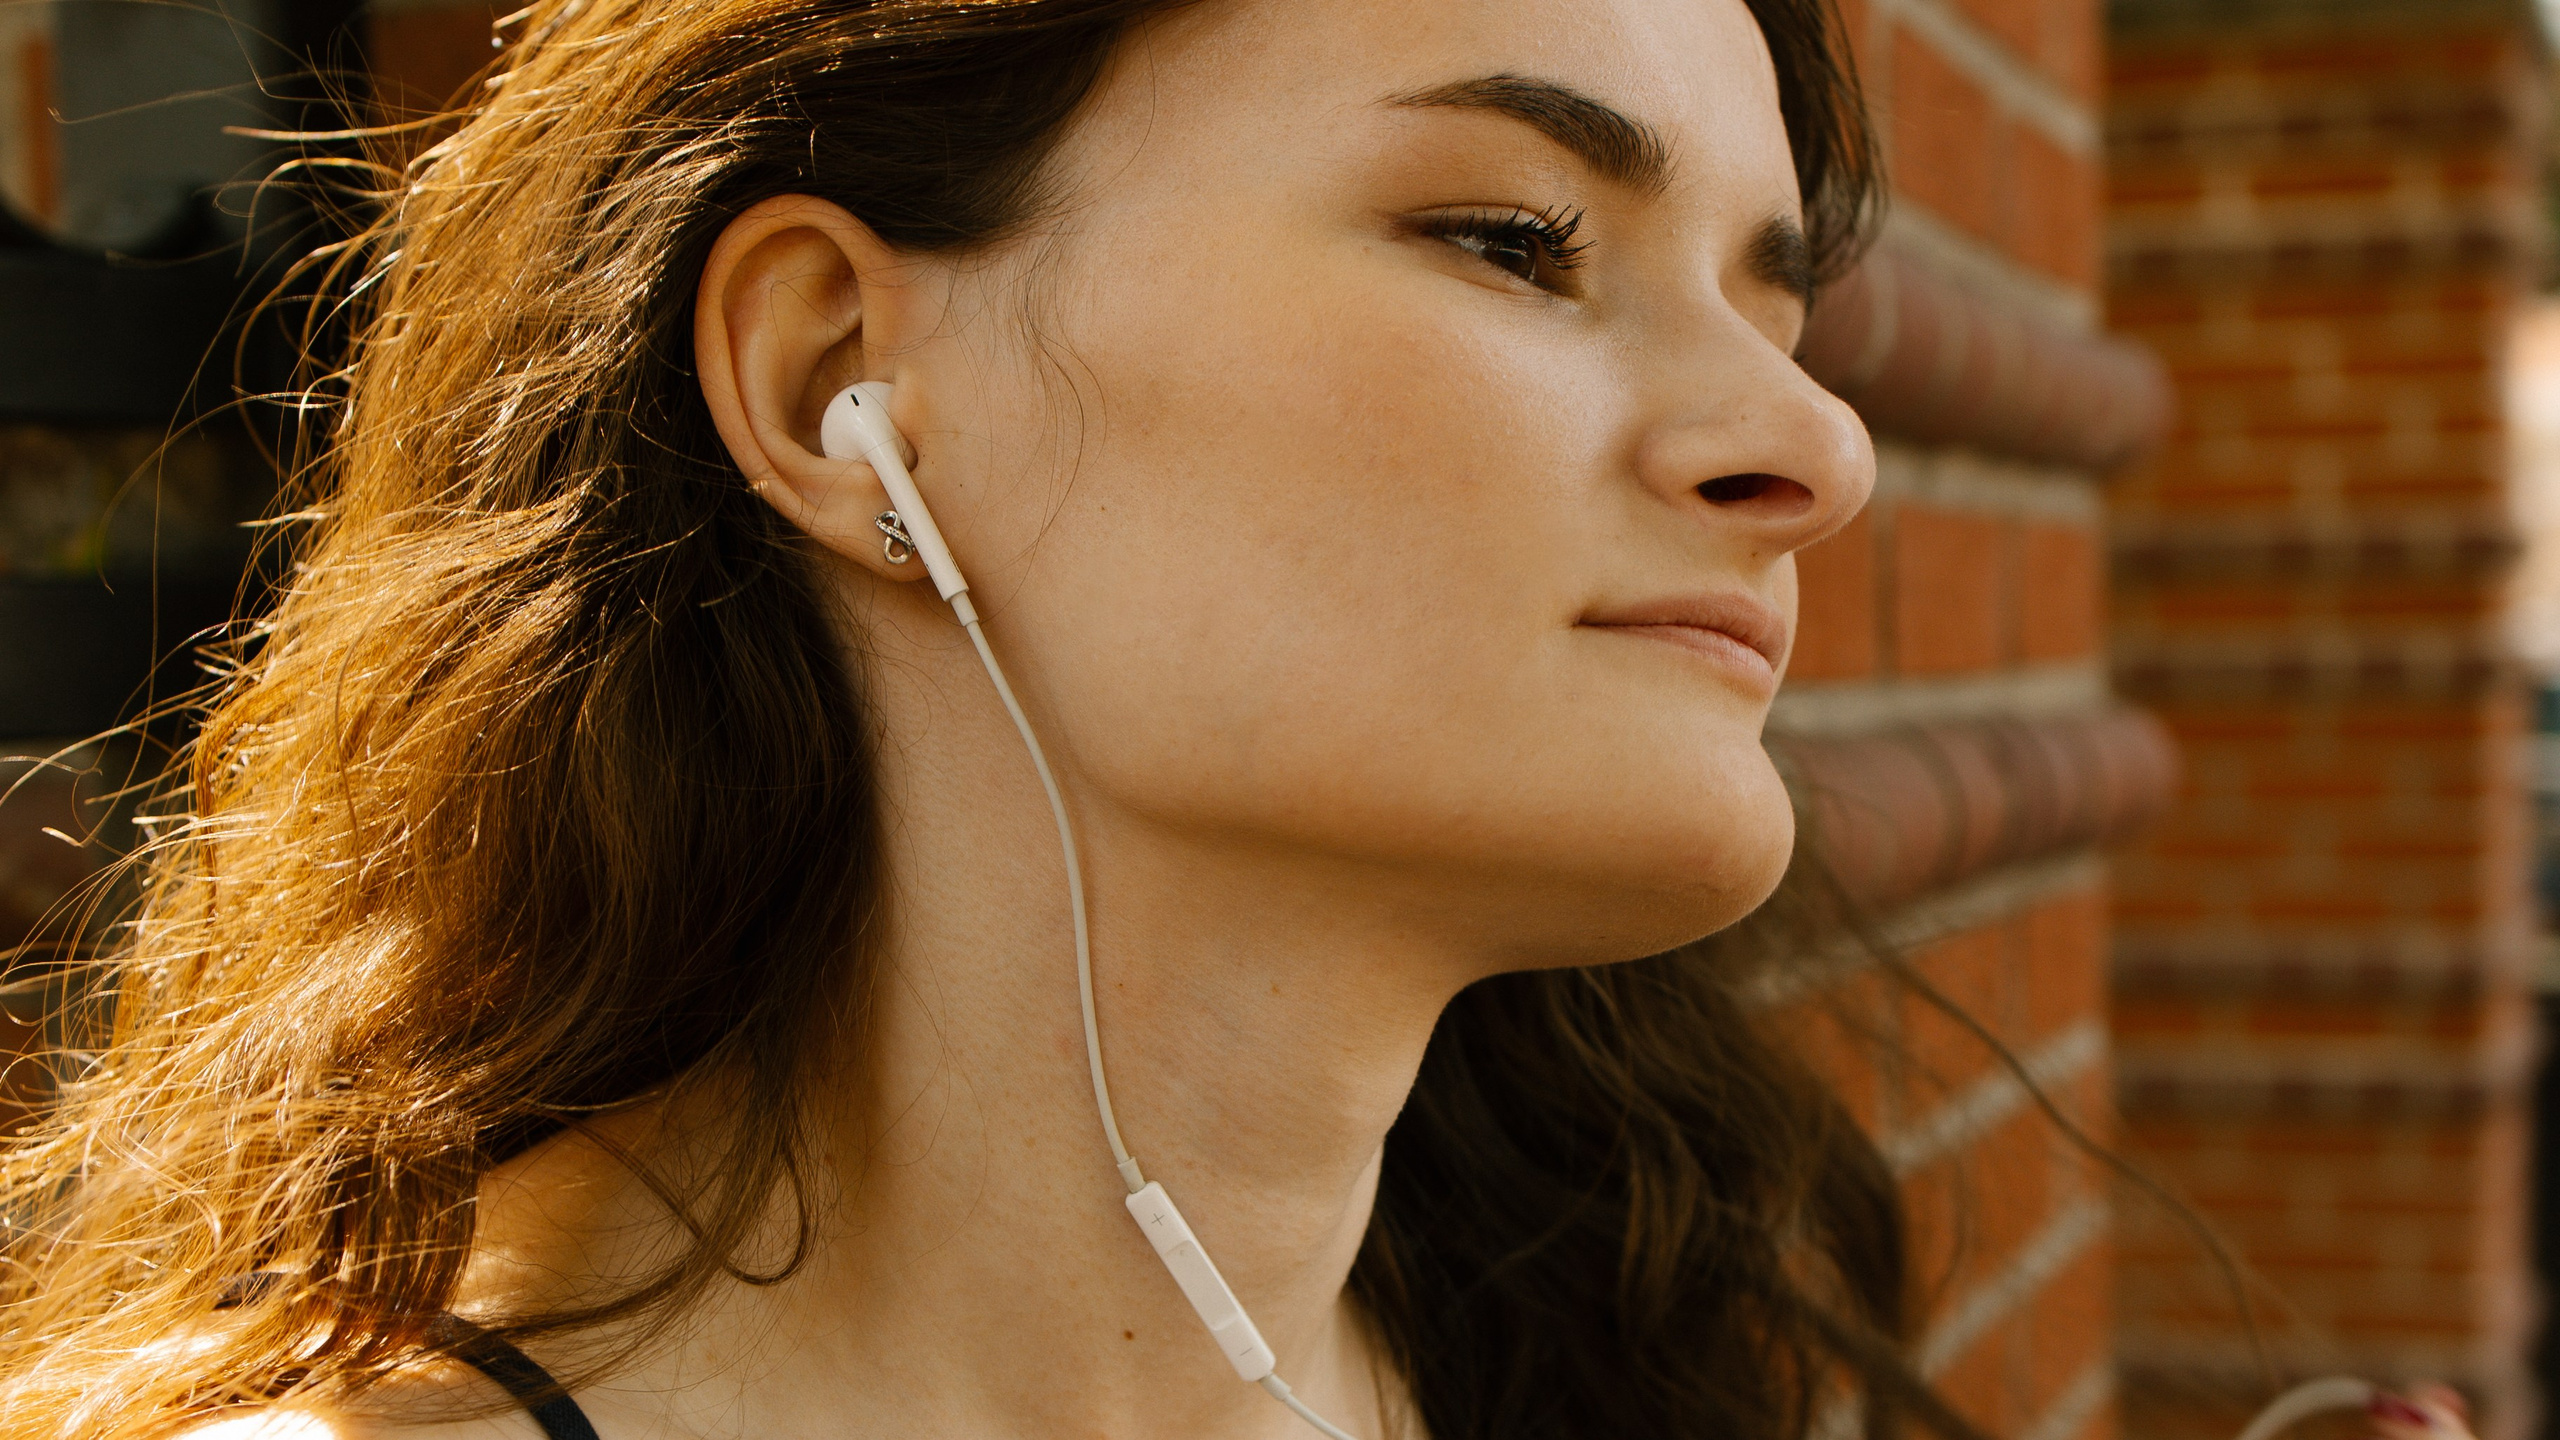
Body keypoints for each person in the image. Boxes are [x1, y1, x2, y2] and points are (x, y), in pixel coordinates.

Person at [0, 2, 2491, 1438]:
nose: (1807, 447)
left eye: (1772, 294)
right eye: (1515, 238)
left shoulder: (1602, 1353)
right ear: (844, 378)